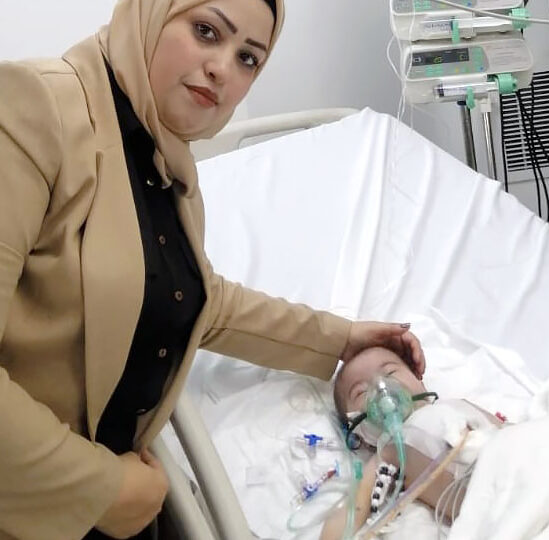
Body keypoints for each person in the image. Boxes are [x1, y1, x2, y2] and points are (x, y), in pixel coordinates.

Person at [0, 1, 425, 539]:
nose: (223, 67)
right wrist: (105, 489)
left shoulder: (166, 166)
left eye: (248, 58)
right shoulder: (33, 108)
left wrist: (341, 339)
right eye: (206, 31)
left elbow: (202, 300)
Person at [321, 347, 501, 539]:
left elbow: (511, 431)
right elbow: (352, 511)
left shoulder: (458, 403)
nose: (381, 387)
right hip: (494, 509)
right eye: (361, 392)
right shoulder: (387, 454)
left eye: (390, 372)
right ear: (355, 427)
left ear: (418, 379)